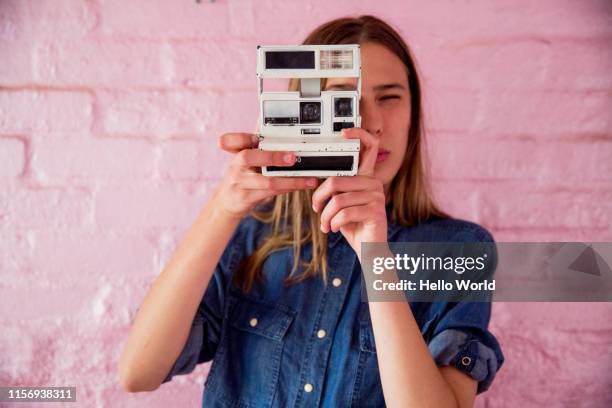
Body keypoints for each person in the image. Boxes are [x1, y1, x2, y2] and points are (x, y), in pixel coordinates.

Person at [118, 15, 504, 407]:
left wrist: (376, 258)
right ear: (303, 110)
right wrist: (222, 209)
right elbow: (138, 372)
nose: (370, 124)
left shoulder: (460, 250)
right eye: (343, 99)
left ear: (413, 113)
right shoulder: (251, 235)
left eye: (389, 98)